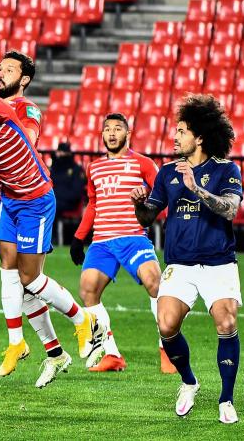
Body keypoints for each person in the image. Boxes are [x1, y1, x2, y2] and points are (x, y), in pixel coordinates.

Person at [0, 76, 105, 388]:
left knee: (30, 278)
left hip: (35, 200)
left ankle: (83, 319)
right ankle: (18, 342)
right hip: (9, 200)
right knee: (9, 272)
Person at [132, 94, 243, 423]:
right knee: (166, 325)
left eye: (182, 131)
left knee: (227, 323)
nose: (175, 136)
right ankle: (189, 382)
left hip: (218, 262)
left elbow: (230, 209)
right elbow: (148, 217)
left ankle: (226, 399)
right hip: (179, 264)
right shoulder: (167, 173)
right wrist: (139, 204)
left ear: (200, 137)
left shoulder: (226, 169)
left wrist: (196, 189)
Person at [70, 113, 176, 373]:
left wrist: (169, 221)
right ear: (102, 135)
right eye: (107, 129)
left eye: (118, 128)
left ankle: (167, 350)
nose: (112, 133)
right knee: (88, 290)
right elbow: (93, 204)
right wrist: (79, 237)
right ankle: (112, 354)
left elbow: (162, 194)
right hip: (102, 241)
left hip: (133, 237)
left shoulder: (143, 163)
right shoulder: (94, 168)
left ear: (128, 134)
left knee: (155, 283)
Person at [0, 52, 68, 386]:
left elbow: (28, 140)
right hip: (1, 199)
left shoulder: (26, 109)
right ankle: (55, 353)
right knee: (18, 281)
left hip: (28, 198)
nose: (0, 73)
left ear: (24, 79)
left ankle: (92, 327)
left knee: (29, 278)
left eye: (9, 69)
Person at [49, 142, 86, 219]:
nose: (59, 155)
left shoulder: (76, 169)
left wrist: (56, 196)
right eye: (59, 152)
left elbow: (76, 193)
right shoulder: (53, 169)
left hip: (69, 203)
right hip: (54, 200)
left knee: (51, 206)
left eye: (62, 153)